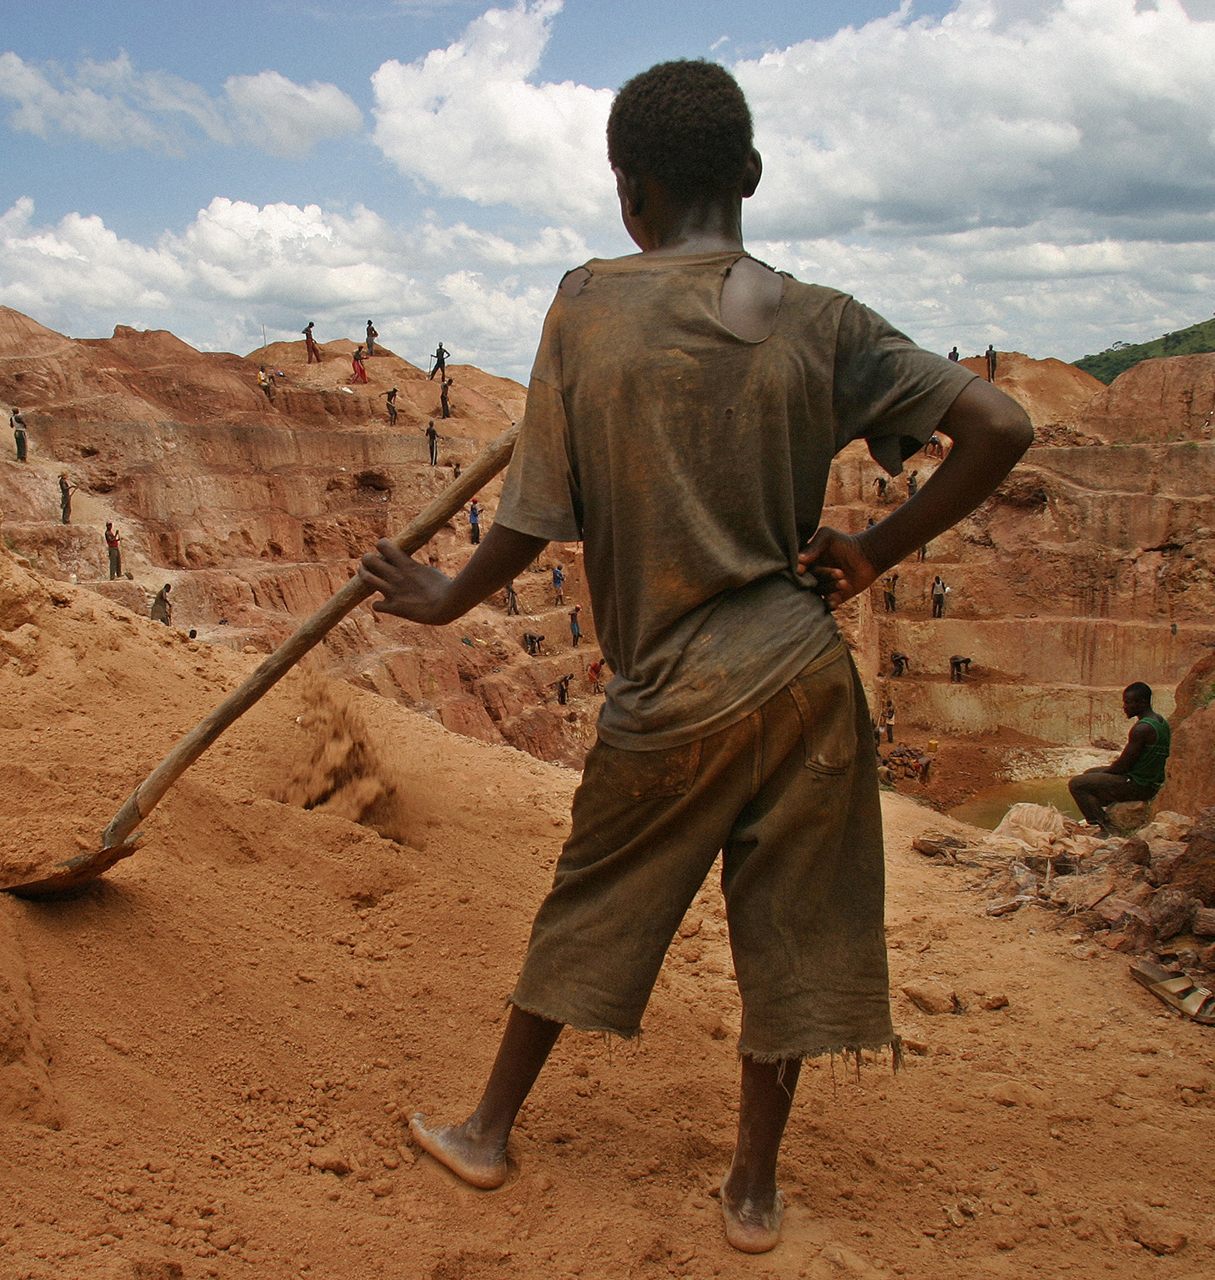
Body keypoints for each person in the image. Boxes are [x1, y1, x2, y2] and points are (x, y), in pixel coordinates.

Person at [354, 59, 1030, 1256]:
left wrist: (450, 596)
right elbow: (1000, 425)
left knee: (592, 899)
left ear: (631, 194)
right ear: (752, 177)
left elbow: (533, 507)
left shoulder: (587, 305)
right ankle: (753, 1190)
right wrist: (872, 548)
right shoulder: (823, 318)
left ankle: (485, 1129)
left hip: (676, 691)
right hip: (809, 678)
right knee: (793, 927)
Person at [1069, 683, 1168, 831]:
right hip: (1151, 781)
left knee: (1077, 784)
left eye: (1129, 703)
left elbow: (1123, 765)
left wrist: (1105, 773)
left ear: (1142, 702)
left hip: (1140, 785)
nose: (1125, 707)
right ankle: (1107, 814)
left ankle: (1106, 827)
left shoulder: (1142, 728)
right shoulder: (1160, 721)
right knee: (1090, 775)